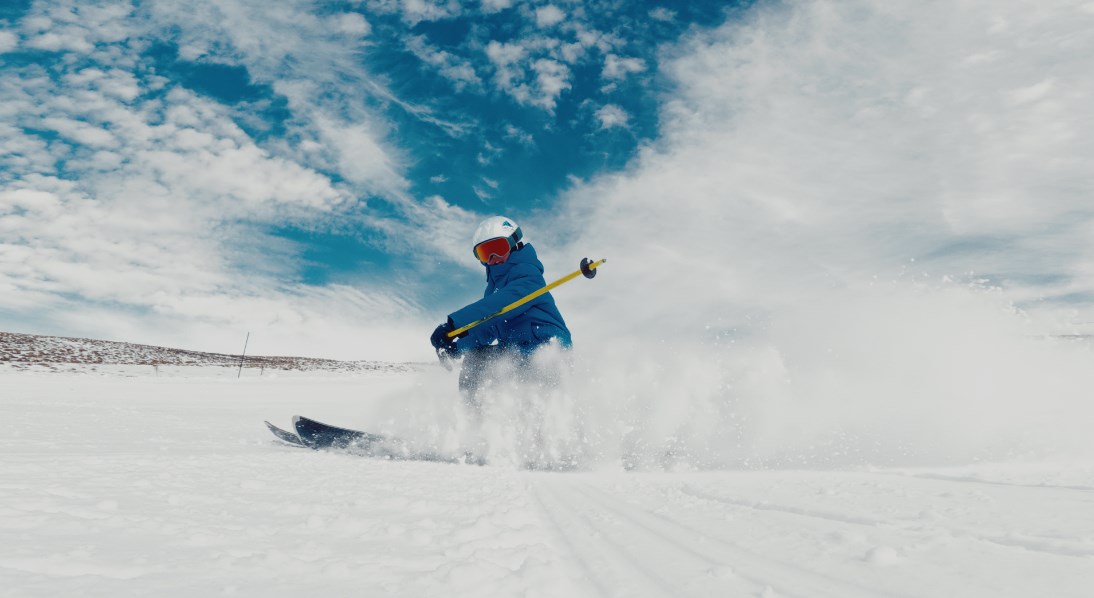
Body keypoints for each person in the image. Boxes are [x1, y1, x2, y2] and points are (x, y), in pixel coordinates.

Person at [430, 216, 572, 410]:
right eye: (485, 253)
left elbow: (502, 305)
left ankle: (546, 429)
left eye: (499, 248)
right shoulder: (494, 290)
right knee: (476, 359)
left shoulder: (528, 275)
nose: (493, 258)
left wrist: (454, 324)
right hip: (517, 354)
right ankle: (474, 422)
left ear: (514, 244)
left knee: (534, 403)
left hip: (544, 349)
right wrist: (458, 347)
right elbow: (489, 327)